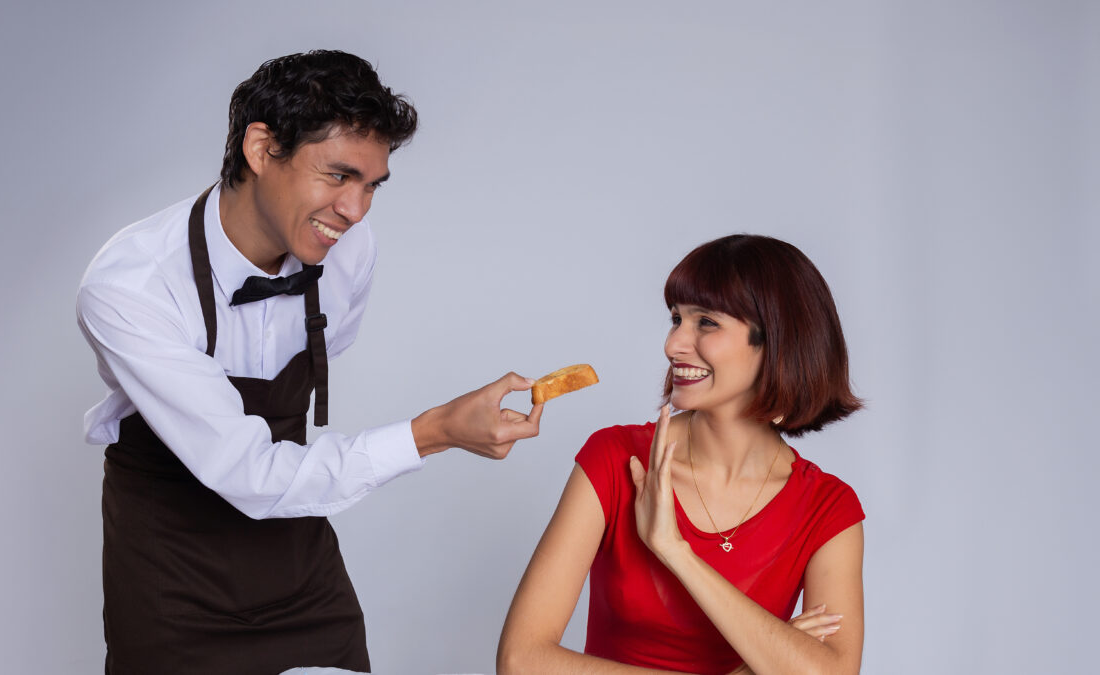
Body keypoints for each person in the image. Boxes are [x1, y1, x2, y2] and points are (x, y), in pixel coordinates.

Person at [77, 50, 543, 674]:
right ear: (262, 148)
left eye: (371, 185)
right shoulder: (133, 284)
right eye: (338, 175)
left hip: (299, 566)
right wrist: (433, 433)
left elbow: (328, 350)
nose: (355, 210)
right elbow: (246, 473)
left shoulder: (347, 251)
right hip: (173, 579)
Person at [498, 234, 865, 674]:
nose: (673, 344)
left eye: (706, 322)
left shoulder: (827, 508)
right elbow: (521, 661)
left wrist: (676, 552)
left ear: (777, 341)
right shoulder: (615, 459)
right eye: (676, 318)